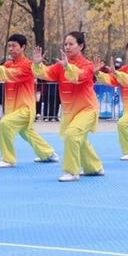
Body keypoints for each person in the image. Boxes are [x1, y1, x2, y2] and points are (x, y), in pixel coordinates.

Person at [0, 35, 58, 168]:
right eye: (9, 46)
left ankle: (8, 159)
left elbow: (13, 74)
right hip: (13, 108)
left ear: (23, 47)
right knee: (26, 132)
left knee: (5, 123)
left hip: (26, 108)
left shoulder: (28, 65)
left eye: (14, 46)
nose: (10, 49)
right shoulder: (7, 64)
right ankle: (49, 154)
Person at [32, 32, 104, 182]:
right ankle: (94, 168)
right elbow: (45, 73)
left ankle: (71, 171)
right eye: (66, 44)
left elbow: (79, 76)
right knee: (80, 139)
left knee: (72, 135)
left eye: (71, 44)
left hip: (87, 109)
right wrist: (38, 64)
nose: (68, 47)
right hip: (71, 111)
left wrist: (68, 67)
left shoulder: (88, 65)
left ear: (81, 46)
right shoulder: (60, 65)